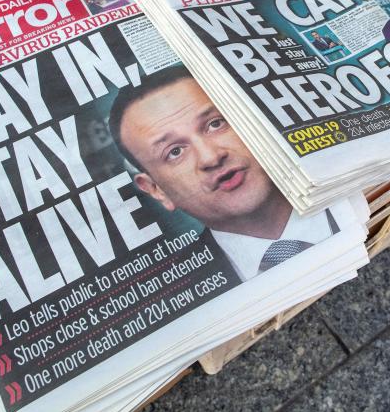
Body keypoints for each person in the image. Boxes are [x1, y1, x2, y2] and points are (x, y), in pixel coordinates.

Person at [109, 66, 339, 281]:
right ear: (157, 190)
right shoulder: (188, 286)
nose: (211, 157)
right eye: (175, 152)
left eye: (215, 124)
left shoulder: (347, 177)